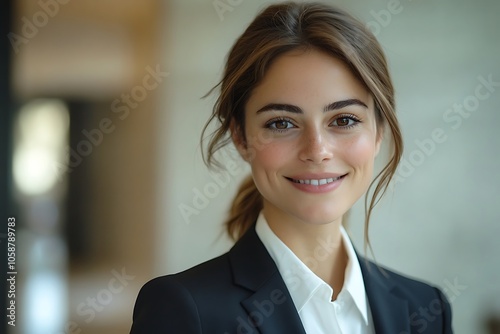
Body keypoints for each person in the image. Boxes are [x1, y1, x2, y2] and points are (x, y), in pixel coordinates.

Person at [130, 2, 453, 333]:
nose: (317, 151)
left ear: (379, 131)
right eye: (282, 123)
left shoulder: (427, 308)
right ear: (240, 137)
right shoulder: (184, 310)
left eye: (344, 120)